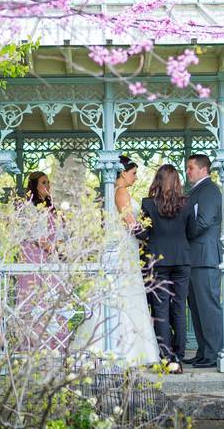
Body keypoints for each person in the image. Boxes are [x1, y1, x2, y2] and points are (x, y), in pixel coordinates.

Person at [74, 156, 160, 365]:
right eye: (134, 173)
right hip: (122, 250)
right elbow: (131, 224)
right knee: (123, 295)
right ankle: (122, 349)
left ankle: (122, 346)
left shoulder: (112, 192)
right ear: (123, 173)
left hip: (124, 249)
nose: (136, 178)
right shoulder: (121, 192)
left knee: (123, 296)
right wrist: (153, 235)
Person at [138, 164, 191, 373]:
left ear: (157, 181)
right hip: (182, 260)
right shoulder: (187, 203)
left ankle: (166, 356)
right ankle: (179, 353)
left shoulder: (148, 204)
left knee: (160, 309)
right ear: (177, 181)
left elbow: (143, 234)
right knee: (178, 307)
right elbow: (192, 230)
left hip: (157, 260)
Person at [16, 171, 70, 351]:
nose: (47, 185)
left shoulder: (53, 208)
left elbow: (61, 235)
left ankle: (56, 345)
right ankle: (34, 346)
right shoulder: (27, 208)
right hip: (33, 259)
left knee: (53, 301)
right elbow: (35, 235)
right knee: (35, 301)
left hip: (51, 261)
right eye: (43, 182)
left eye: (48, 182)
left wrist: (62, 248)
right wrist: (52, 248)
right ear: (34, 186)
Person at [184, 154, 224, 369]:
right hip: (194, 257)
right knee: (197, 308)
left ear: (203, 169)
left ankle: (214, 352)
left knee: (208, 306)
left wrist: (180, 232)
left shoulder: (209, 189)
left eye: (190, 168)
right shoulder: (196, 191)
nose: (187, 171)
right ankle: (203, 351)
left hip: (205, 256)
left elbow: (203, 221)